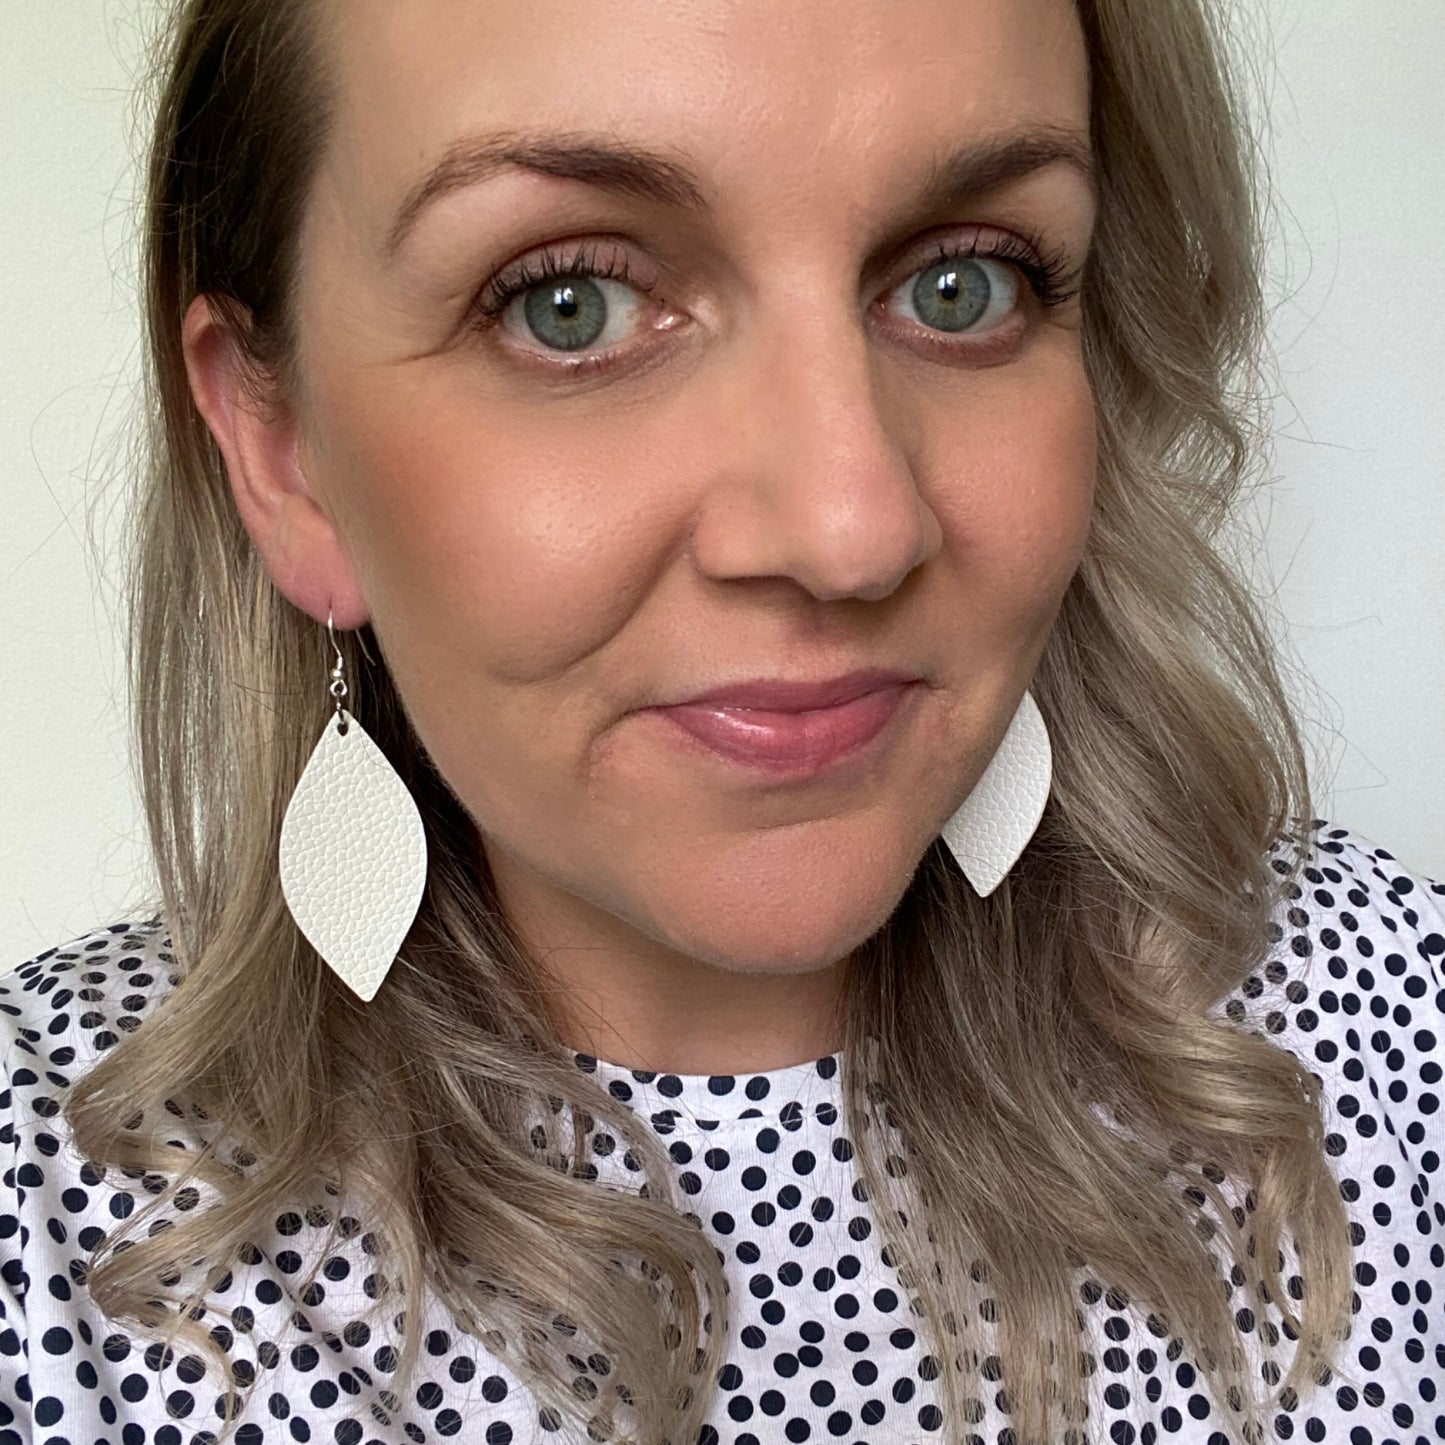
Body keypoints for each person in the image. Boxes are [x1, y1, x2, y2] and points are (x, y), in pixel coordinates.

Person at [1, 0, 1440, 1442]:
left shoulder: (1389, 1040)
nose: (851, 529)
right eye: (570, 302)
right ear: (279, 445)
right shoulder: (54, 1223)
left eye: (965, 283)